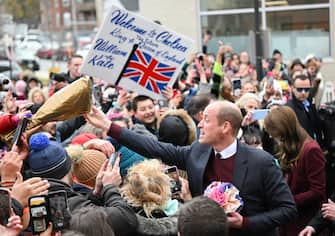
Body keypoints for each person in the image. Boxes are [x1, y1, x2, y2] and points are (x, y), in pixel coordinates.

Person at [85, 101, 297, 236]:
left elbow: (287, 210)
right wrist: (108, 126)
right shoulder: (198, 152)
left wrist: (246, 223)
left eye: (206, 120)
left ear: (226, 127)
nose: (200, 125)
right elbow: (154, 147)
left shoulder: (262, 162)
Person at [264, 106, 326, 236]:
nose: (271, 135)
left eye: (273, 132)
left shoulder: (311, 150)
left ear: (283, 129)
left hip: (306, 222)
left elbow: (317, 191)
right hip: (290, 220)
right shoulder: (291, 146)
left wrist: (288, 200)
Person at [287, 74, 324, 146]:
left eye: (307, 89)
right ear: (293, 88)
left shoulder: (310, 103)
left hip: (316, 147)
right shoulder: (289, 108)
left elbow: (318, 127)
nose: (303, 92)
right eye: (299, 89)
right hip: (301, 150)